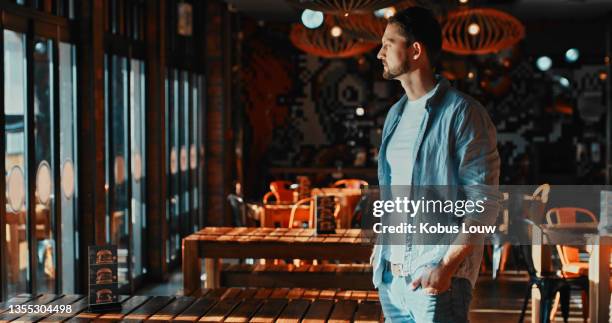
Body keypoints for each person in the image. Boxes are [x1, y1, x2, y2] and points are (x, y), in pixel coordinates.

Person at [371, 7, 501, 322]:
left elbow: (485, 205)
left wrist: (446, 268)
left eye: (389, 42)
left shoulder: (463, 114)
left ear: (415, 50)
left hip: (435, 279)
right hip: (392, 277)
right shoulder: (395, 116)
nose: (380, 53)